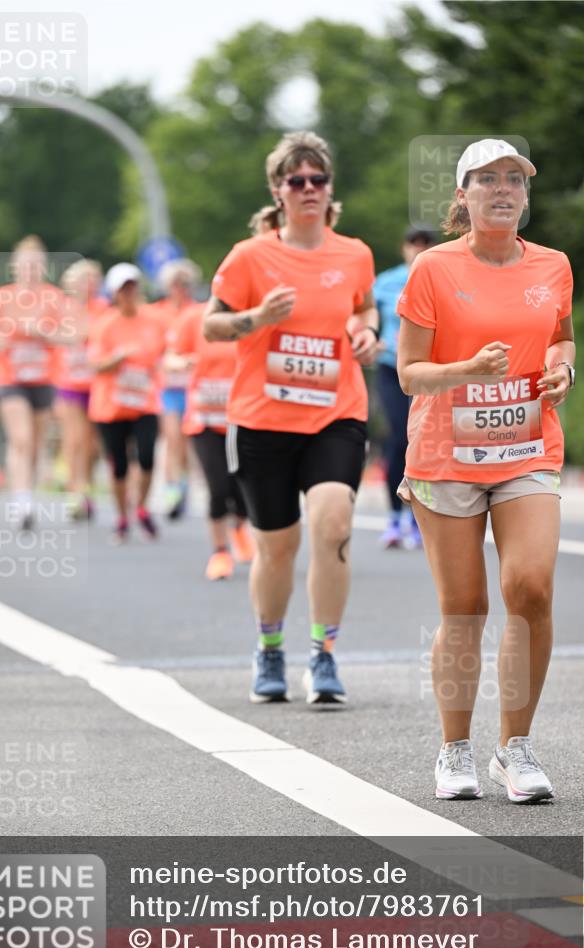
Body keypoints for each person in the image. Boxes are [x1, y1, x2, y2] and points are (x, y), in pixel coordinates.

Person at [396, 139, 575, 803]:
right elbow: (408, 372)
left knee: (529, 587)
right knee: (463, 607)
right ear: (462, 196)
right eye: (486, 180)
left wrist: (563, 369)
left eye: (513, 180)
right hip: (446, 453)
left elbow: (559, 332)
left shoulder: (552, 265)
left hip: (527, 445)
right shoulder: (433, 270)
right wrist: (464, 371)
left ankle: (514, 748)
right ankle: (453, 751)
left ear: (525, 197)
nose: (501, 189)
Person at [204, 131, 378, 705]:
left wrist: (367, 332)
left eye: (317, 179)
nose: (308, 189)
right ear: (278, 192)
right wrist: (255, 317)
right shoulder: (250, 256)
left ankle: (324, 655)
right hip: (263, 419)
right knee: (276, 546)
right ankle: (269, 647)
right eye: (295, 180)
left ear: (330, 190)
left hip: (336, 412)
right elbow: (211, 325)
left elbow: (363, 305)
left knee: (333, 523)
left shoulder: (353, 253)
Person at [169, 300, 255, 580]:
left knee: (243, 489)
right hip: (204, 419)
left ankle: (240, 527)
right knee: (217, 487)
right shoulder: (195, 316)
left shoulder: (252, 317)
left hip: (242, 420)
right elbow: (169, 356)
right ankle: (220, 552)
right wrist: (182, 362)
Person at [0, 235, 63, 531]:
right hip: (10, 376)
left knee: (35, 442)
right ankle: (21, 502)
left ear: (43, 267)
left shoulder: (54, 298)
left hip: (43, 376)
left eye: (36, 265)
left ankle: (24, 492)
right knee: (21, 438)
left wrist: (42, 332)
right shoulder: (1, 298)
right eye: (25, 265)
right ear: (15, 267)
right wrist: (9, 332)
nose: (30, 270)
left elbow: (72, 337)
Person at [88, 263, 163, 542]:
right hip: (111, 406)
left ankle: (141, 507)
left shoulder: (153, 321)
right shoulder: (104, 324)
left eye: (133, 287)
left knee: (146, 457)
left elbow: (164, 355)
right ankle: (121, 516)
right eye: (124, 288)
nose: (130, 293)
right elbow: (95, 364)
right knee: (118, 464)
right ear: (114, 293)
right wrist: (118, 357)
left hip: (144, 403)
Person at [373, 225, 437, 549]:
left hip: (429, 373)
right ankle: (395, 518)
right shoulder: (385, 282)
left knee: (424, 440)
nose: (419, 249)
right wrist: (370, 339)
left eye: (426, 243)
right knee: (399, 438)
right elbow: (368, 318)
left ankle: (417, 518)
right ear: (404, 247)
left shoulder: (441, 279)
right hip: (390, 368)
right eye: (413, 243)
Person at [54, 259, 108, 520]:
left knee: (93, 443)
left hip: (97, 382)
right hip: (69, 381)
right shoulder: (63, 309)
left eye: (94, 280)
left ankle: (86, 486)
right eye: (84, 280)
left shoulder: (105, 308)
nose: (89, 285)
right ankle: (75, 491)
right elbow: (51, 335)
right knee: (74, 438)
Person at [151, 259, 202, 519]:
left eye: (185, 284)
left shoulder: (199, 312)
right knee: (172, 438)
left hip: (194, 387)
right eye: (175, 284)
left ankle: (183, 485)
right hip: (168, 387)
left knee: (189, 442)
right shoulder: (157, 313)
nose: (180, 289)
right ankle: (172, 486)